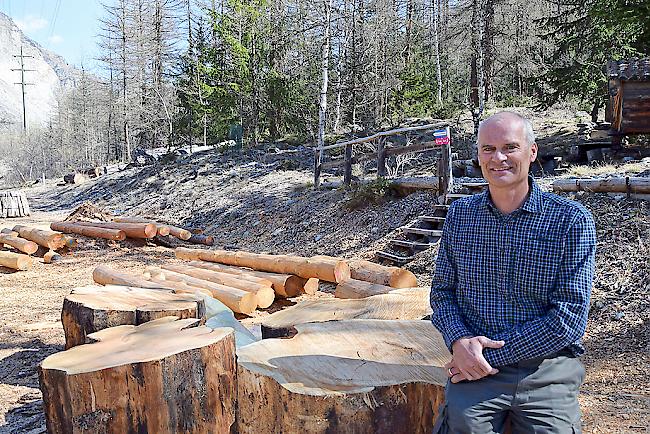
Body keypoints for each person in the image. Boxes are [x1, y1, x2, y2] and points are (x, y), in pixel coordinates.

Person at [430, 111, 596, 433]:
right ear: (478, 155)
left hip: (547, 370)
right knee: (462, 426)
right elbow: (442, 293)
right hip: (475, 371)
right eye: (488, 149)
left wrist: (487, 353)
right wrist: (459, 340)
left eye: (510, 147)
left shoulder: (571, 222)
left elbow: (569, 319)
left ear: (532, 152)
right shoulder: (461, 216)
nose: (499, 158)